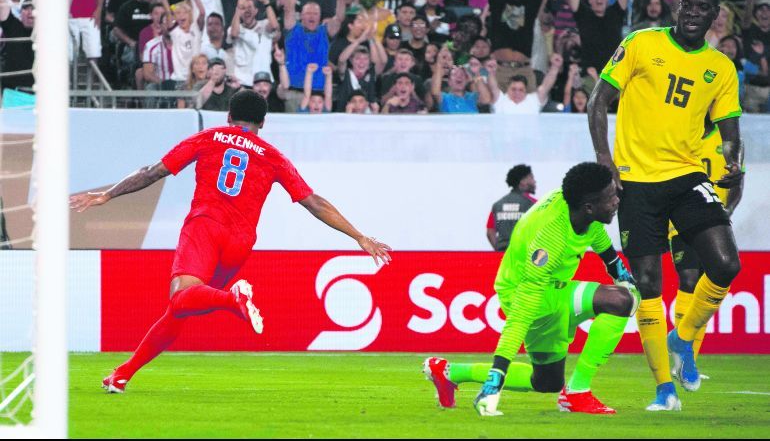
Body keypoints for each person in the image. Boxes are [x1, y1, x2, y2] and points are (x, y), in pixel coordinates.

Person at [70, 90, 392, 393]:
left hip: (206, 226)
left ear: (229, 116)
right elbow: (313, 202)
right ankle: (123, 374)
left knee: (182, 298)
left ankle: (231, 299)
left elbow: (153, 172)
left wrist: (107, 195)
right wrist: (359, 236)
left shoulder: (209, 138)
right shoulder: (272, 156)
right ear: (262, 123)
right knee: (181, 308)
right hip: (240, 244)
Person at [588, 0, 744, 411]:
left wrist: (732, 161)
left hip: (688, 176)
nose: (693, 12)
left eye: (702, 8)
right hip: (635, 181)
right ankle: (664, 389)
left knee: (726, 264)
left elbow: (731, 134)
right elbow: (597, 101)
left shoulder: (721, 68)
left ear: (714, 16)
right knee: (648, 286)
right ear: (678, 7)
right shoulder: (641, 43)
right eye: (687, 4)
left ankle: (684, 336)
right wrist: (605, 158)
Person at [425, 162, 640, 416]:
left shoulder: (577, 206)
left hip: (554, 288)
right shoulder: (550, 239)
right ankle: (577, 393)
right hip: (528, 294)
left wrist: (617, 269)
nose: (617, 200)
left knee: (548, 382)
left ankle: (450, 372)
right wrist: (496, 378)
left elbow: (594, 231)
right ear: (589, 207)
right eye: (611, 197)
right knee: (620, 300)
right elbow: (521, 315)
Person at [669, 116, 744, 374]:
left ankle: (688, 359)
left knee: (706, 284)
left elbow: (738, 184)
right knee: (688, 280)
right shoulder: (682, 137)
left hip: (714, 223)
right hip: (681, 221)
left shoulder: (724, 144)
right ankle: (680, 353)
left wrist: (726, 212)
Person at [486, 54, 562, 115]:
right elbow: (493, 86)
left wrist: (555, 67)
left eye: (521, 90)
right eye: (513, 89)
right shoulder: (500, 99)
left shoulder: (534, 99)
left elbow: (546, 86)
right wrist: (491, 72)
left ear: (526, 91)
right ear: (507, 89)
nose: (517, 92)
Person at [486, 164, 537, 252]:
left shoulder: (498, 204)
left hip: (502, 253)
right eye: (531, 178)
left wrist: (498, 249)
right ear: (523, 181)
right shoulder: (533, 204)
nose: (534, 181)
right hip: (523, 254)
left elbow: (490, 232)